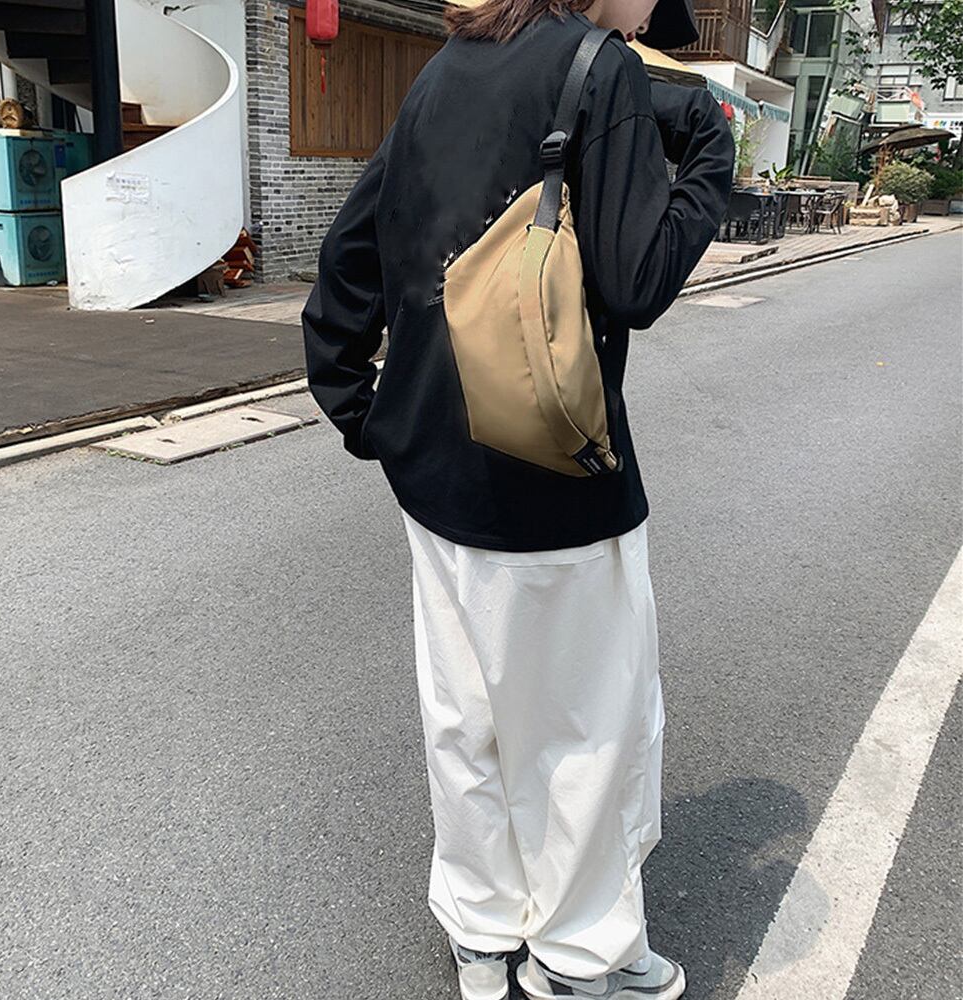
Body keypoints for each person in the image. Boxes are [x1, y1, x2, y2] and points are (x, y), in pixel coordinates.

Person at [300, 0, 735, 995]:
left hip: (433, 471)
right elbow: (635, 282)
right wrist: (708, 160)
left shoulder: (448, 66)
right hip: (555, 472)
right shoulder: (601, 70)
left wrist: (360, 406)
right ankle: (578, 957)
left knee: (467, 716)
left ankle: (483, 930)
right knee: (585, 730)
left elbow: (351, 250)